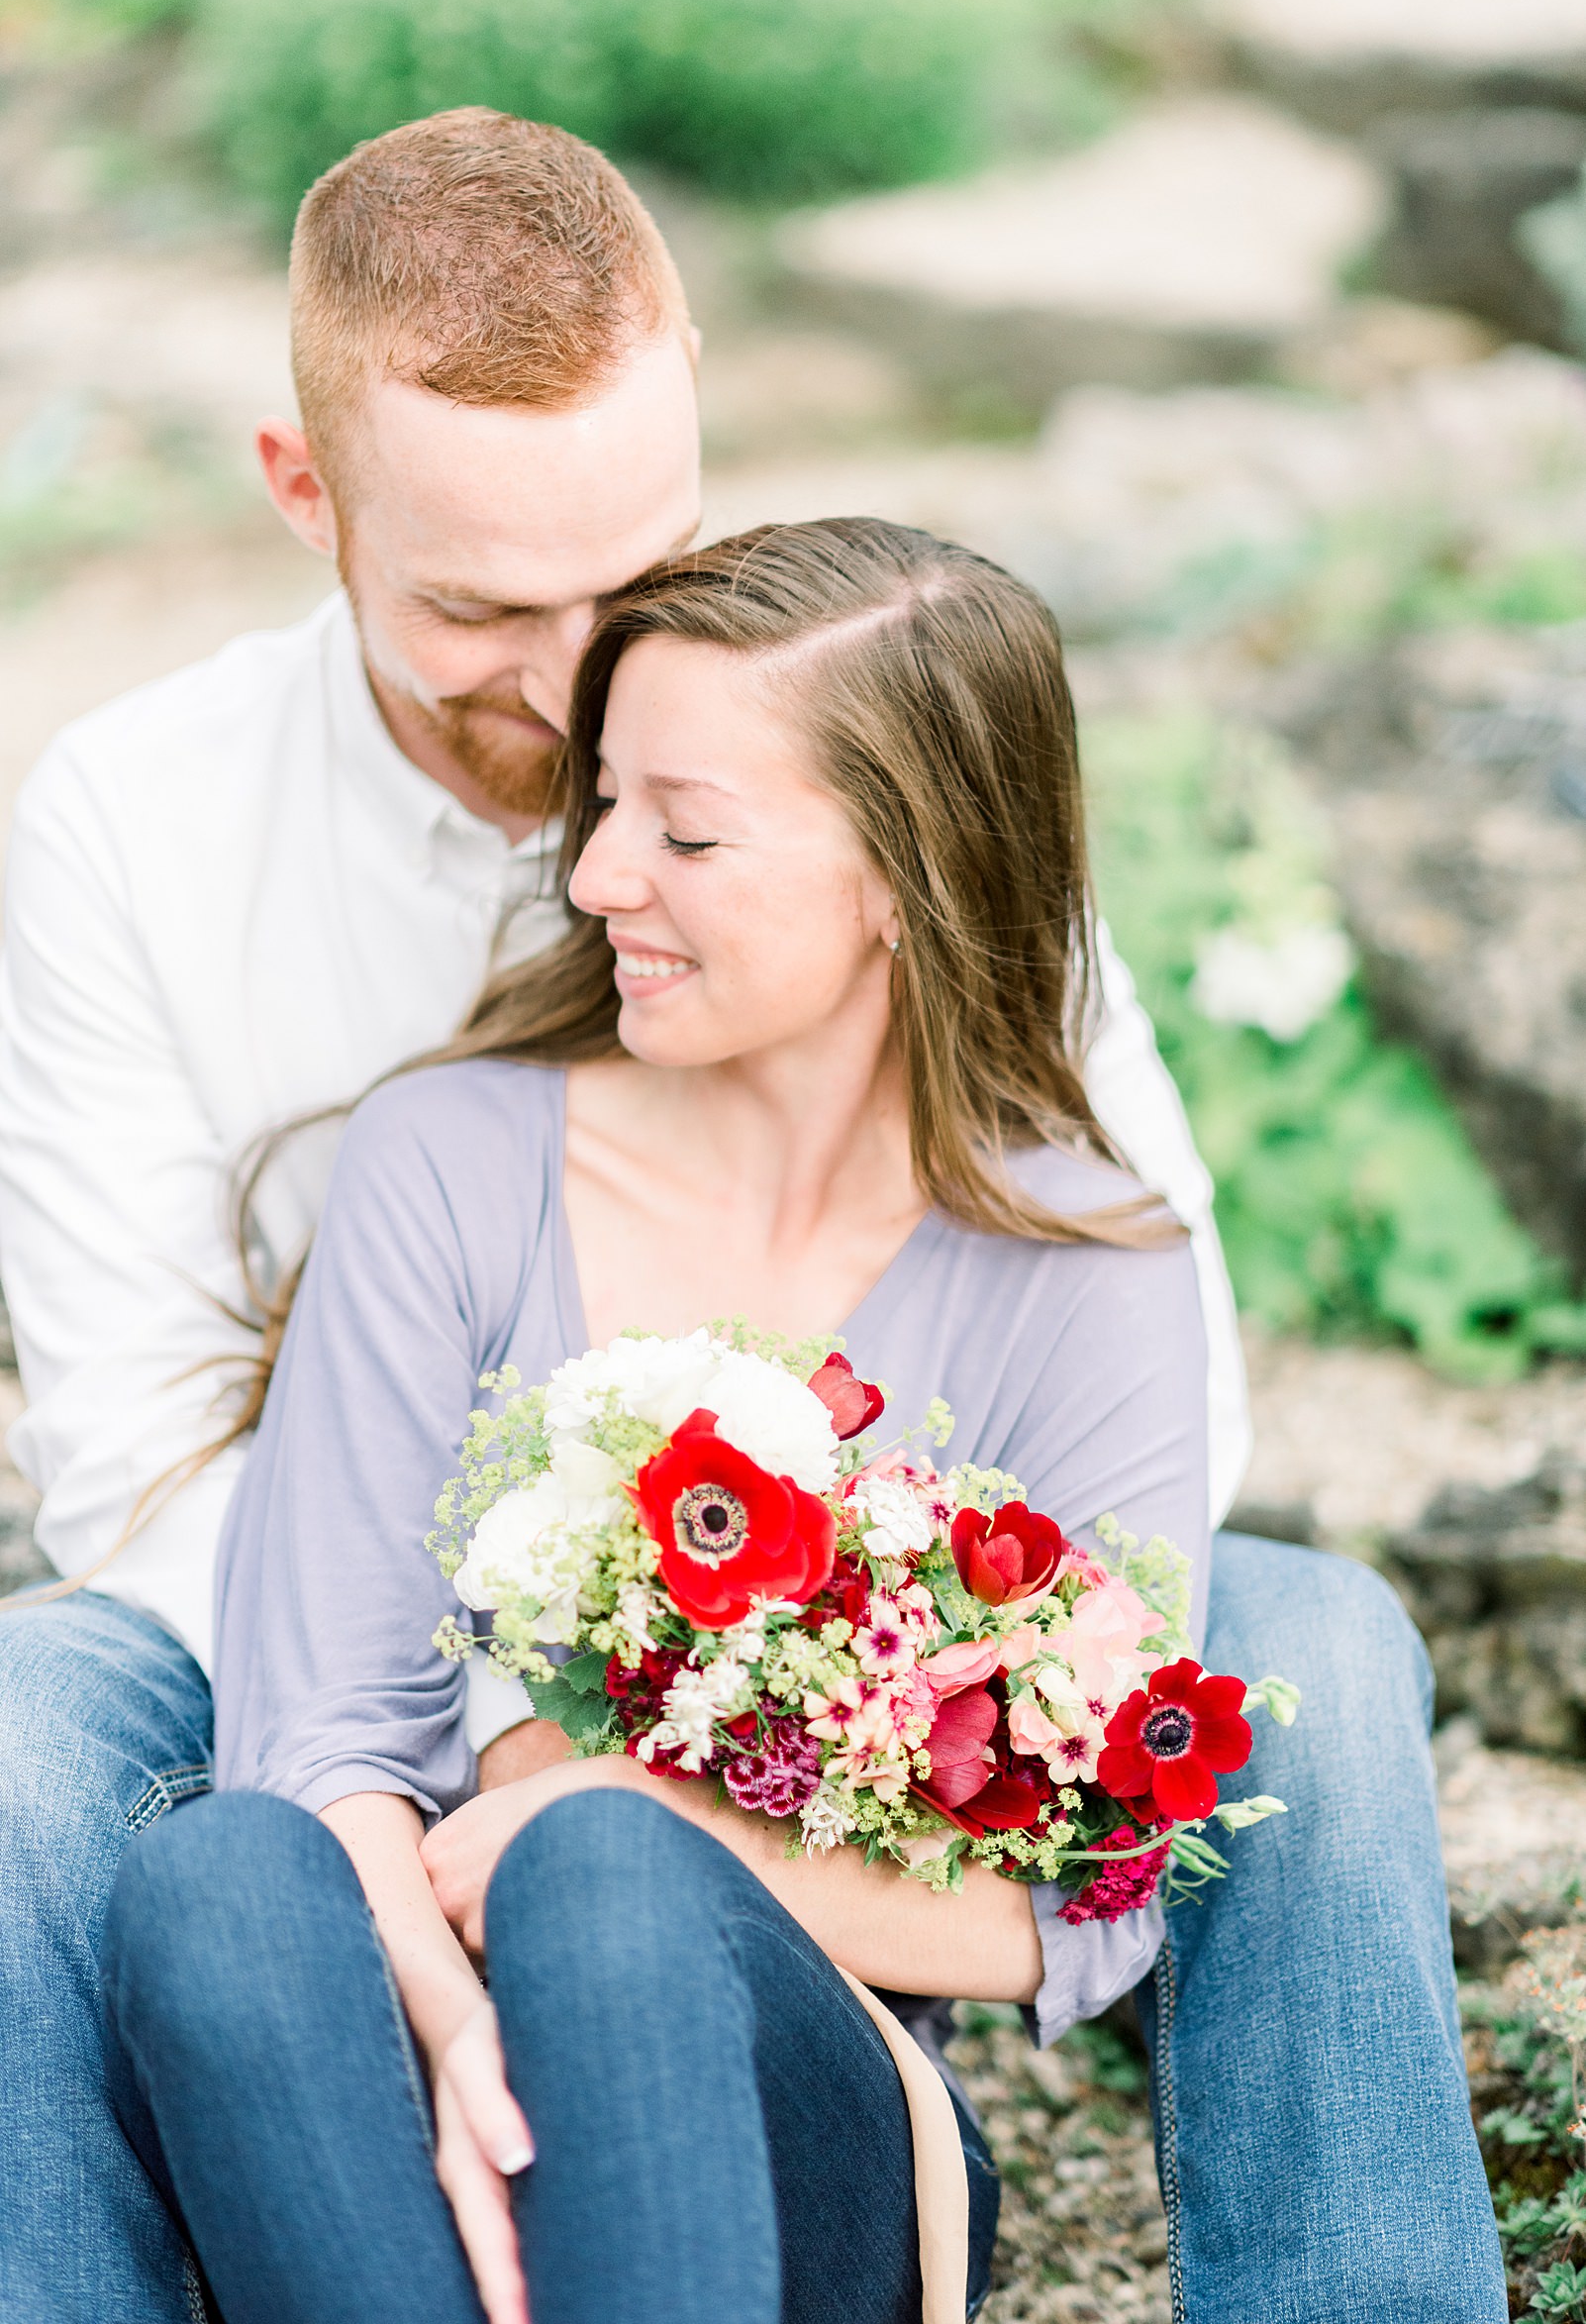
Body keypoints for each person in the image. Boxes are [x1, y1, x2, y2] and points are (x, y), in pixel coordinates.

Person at [0, 117, 1494, 2324]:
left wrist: (785, 1674)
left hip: (845, 1645)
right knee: (39, 1739)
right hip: (300, 1610)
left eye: (634, 565)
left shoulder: (854, 734)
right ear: (304, 494)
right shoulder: (136, 830)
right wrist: (506, 1737)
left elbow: (1123, 1323)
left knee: (1317, 1654)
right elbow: (141, 1474)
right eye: (482, 611)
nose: (584, 671)